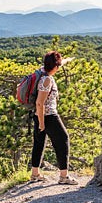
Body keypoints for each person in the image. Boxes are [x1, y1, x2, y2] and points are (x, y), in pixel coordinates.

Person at [29, 51, 78, 185]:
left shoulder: (42, 71)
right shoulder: (47, 80)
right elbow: (40, 102)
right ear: (55, 67)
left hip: (38, 114)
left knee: (39, 143)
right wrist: (42, 123)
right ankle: (64, 176)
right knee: (63, 139)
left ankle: (35, 174)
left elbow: (57, 65)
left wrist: (68, 59)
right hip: (48, 116)